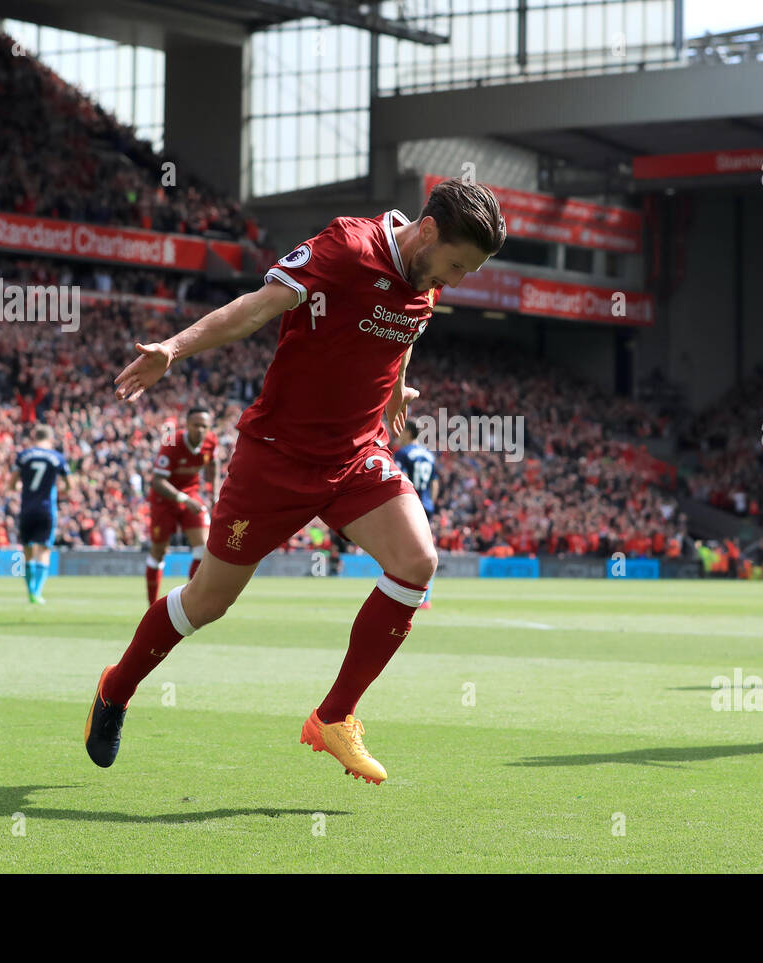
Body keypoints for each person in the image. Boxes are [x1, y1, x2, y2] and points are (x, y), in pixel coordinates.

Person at [85, 179, 506, 783]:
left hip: (356, 458)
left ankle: (334, 718)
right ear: (430, 231)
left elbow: (403, 334)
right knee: (207, 602)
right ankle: (116, 688)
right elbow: (257, 308)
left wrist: (393, 393)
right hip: (277, 460)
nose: (458, 280)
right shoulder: (346, 248)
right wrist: (173, 350)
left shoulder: (427, 281)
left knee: (418, 562)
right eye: (459, 264)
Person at [145, 407, 218, 604]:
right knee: (159, 551)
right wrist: (184, 499)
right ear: (187, 425)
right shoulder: (171, 441)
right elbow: (158, 482)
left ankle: (188, 602)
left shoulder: (211, 441)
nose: (200, 430)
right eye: (196, 425)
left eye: (204, 426)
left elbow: (213, 464)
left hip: (191, 495)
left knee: (202, 550)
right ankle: (152, 606)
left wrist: (215, 493)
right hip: (164, 500)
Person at [8, 425, 70, 604]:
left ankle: (30, 592)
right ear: (51, 440)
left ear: (35, 437)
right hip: (46, 509)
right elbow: (70, 485)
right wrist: (60, 490)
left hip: (26, 509)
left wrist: (21, 487)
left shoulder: (23, 456)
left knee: (27, 552)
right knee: (43, 550)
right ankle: (37, 592)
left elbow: (12, 484)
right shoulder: (57, 458)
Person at [393, 420, 439, 608]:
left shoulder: (402, 454)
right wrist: (430, 504)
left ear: (409, 433)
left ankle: (401, 594)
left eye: (401, 431)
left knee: (401, 551)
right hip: (425, 507)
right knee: (426, 551)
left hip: (408, 505)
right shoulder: (429, 455)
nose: (397, 434)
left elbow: (398, 478)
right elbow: (434, 483)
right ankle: (425, 598)